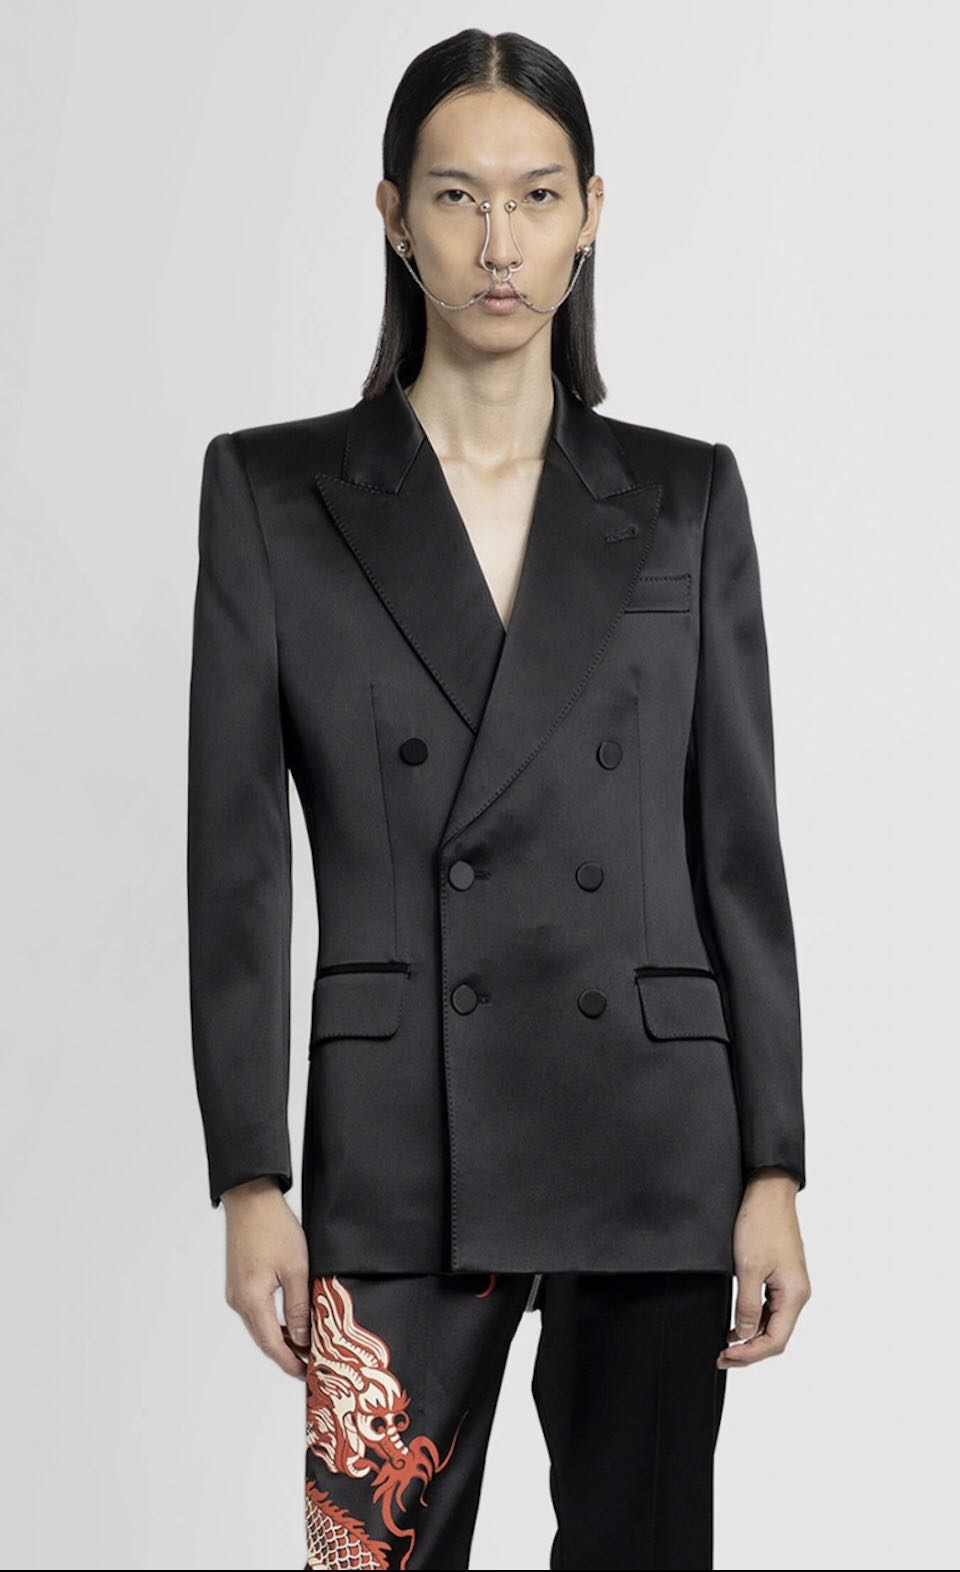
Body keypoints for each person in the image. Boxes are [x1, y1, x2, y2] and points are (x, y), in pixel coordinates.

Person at [186, 27, 812, 1572]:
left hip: (652, 1137)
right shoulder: (274, 496)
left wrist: (772, 1165)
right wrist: (250, 1176)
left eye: (535, 196)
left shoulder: (684, 499)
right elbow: (239, 868)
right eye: (457, 197)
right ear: (394, 217)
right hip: (400, 1145)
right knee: (369, 1559)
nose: (498, 241)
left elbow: (739, 855)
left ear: (591, 212)